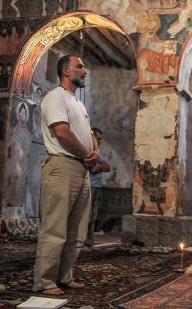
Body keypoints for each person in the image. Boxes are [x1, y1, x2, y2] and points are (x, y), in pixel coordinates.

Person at [33, 55, 99, 296]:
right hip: (62, 165)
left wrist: (95, 151)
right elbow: (61, 132)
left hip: (81, 168)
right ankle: (45, 281)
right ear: (65, 70)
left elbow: (89, 132)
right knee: (55, 227)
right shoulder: (55, 97)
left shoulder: (78, 103)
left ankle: (64, 276)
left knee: (76, 230)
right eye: (80, 66)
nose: (85, 70)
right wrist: (86, 155)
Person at [83, 127, 111, 251]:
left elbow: (107, 167)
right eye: (98, 139)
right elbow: (92, 168)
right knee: (86, 216)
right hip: (90, 186)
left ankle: (89, 242)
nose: (100, 142)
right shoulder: (88, 151)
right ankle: (83, 242)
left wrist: (99, 165)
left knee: (93, 216)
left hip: (97, 187)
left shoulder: (97, 153)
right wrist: (100, 166)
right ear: (92, 137)